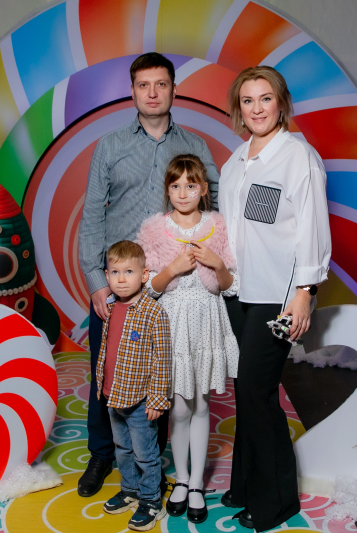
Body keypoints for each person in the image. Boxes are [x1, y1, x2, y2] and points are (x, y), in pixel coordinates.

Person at [77, 52, 220, 497]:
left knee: (162, 371)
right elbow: (91, 215)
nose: (152, 93)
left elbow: (216, 208)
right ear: (133, 91)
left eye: (161, 84)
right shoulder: (110, 146)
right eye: (144, 85)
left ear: (174, 89)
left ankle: (153, 462)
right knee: (108, 370)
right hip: (120, 281)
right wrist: (96, 281)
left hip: (174, 282)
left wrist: (209, 264)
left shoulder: (195, 146)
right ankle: (102, 452)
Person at [218, 66, 332, 531]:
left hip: (279, 296)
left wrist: (305, 294)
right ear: (238, 108)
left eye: (265, 98)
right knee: (246, 390)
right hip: (237, 291)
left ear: (281, 103)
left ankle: (278, 499)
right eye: (248, 100)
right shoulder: (234, 162)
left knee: (256, 390)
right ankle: (246, 483)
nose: (257, 108)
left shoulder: (298, 157)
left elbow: (312, 230)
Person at [136, 154, 239, 524]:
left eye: (190, 185)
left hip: (207, 323)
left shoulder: (218, 226)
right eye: (176, 185)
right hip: (172, 326)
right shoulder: (154, 230)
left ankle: (196, 484)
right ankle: (180, 477)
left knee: (201, 405)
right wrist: (172, 269)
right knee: (178, 408)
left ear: (203, 189)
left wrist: (217, 264)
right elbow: (147, 288)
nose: (183, 193)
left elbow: (229, 286)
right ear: (167, 189)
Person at [96, 240, 171, 531]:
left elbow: (162, 359)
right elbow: (108, 350)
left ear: (144, 275)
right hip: (114, 395)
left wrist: (157, 399)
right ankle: (130, 489)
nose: (122, 279)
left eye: (129, 271)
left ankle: (151, 500)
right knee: (122, 449)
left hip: (140, 400)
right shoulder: (110, 308)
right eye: (115, 272)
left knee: (145, 453)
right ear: (107, 276)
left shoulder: (153, 313)